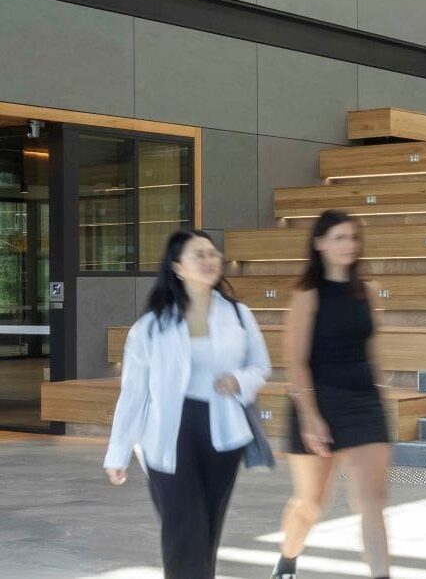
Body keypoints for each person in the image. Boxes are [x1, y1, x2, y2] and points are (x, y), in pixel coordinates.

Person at [104, 229, 271, 579]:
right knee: (184, 528)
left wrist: (239, 381)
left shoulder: (239, 315)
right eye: (199, 255)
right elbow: (134, 394)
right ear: (178, 267)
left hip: (222, 433)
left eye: (213, 253)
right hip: (169, 433)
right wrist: (118, 453)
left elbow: (261, 366)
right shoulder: (150, 327)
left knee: (206, 529)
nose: (210, 260)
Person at [273, 210, 390, 579]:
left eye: (353, 238)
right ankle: (287, 560)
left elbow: (370, 351)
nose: (349, 245)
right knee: (311, 502)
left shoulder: (366, 291)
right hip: (317, 400)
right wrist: (310, 417)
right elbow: (295, 359)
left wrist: (380, 397)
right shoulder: (308, 294)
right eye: (339, 238)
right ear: (319, 243)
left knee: (372, 501)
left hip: (364, 403)